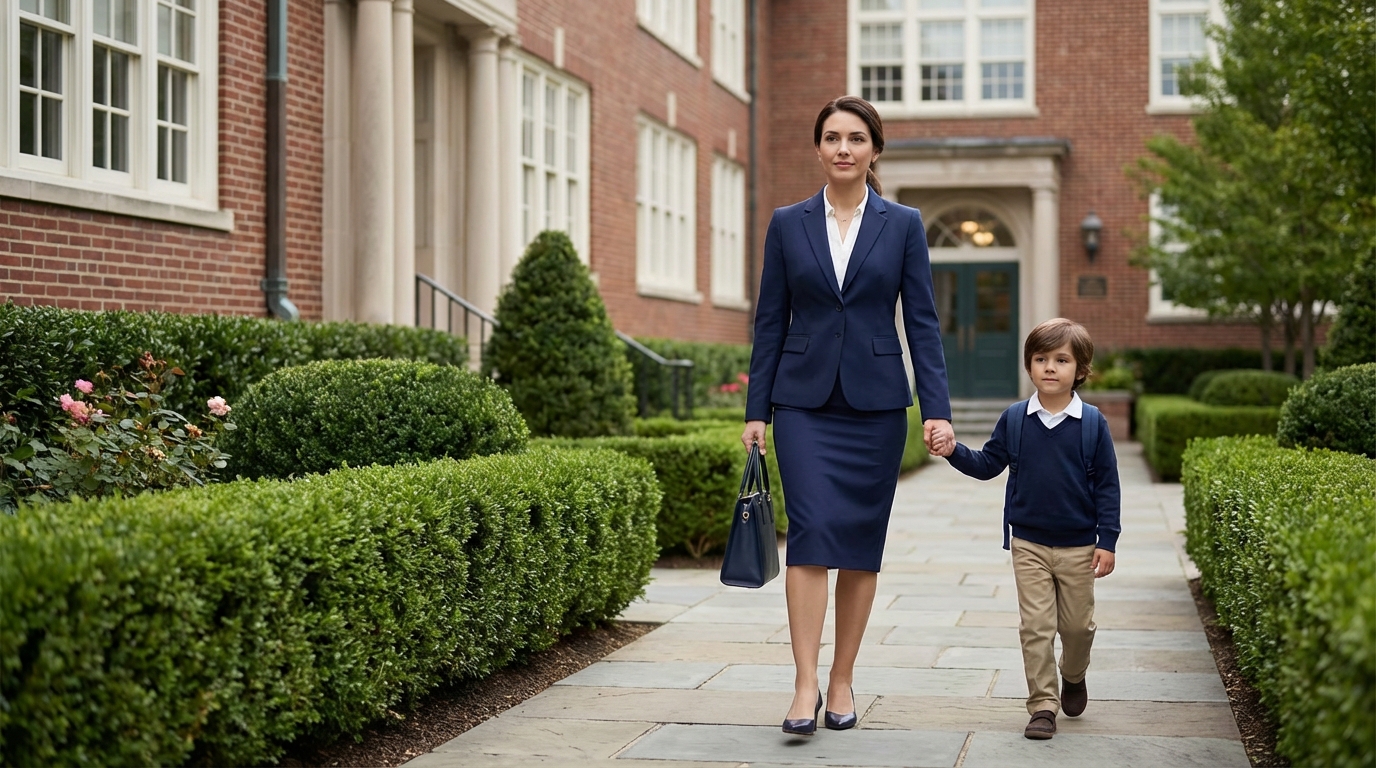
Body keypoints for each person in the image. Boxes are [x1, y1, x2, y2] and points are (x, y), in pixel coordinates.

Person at [741, 95, 954, 736]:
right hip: (802, 402)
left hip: (876, 405)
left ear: (874, 150)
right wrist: (758, 411)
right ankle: (805, 684)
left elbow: (922, 321)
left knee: (860, 546)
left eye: (855, 138)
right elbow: (770, 319)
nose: (843, 148)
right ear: (818, 148)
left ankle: (842, 679)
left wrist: (936, 410)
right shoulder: (787, 222)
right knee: (809, 534)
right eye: (832, 138)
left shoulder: (903, 224)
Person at [929, 317, 1122, 740]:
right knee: (1035, 627)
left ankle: (1074, 675)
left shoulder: (1092, 425)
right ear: (1029, 366)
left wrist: (1107, 540)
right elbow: (986, 465)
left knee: (1077, 629)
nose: (1050, 367)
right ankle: (1043, 706)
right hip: (1029, 544)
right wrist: (952, 451)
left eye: (1061, 359)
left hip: (1078, 547)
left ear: (1081, 369)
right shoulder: (1016, 419)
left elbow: (1108, 486)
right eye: (1040, 359)